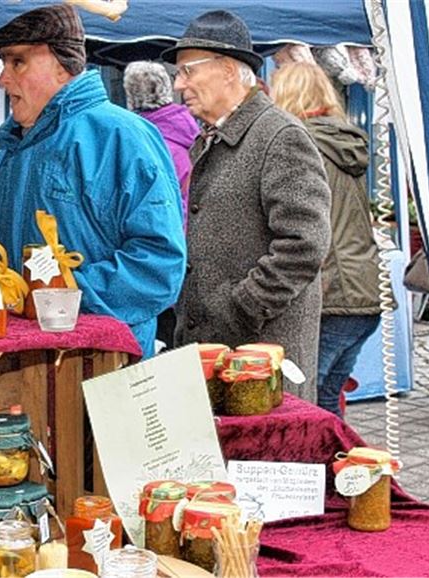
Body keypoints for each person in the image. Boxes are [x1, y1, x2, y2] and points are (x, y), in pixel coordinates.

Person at [0, 5, 186, 358]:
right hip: (20, 361)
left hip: (100, 363)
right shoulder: (15, 145)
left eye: (16, 62)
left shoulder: (123, 137)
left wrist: (55, 293)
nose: (2, 79)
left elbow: (159, 266)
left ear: (62, 67)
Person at [163, 10, 331, 402]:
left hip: (261, 363)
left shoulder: (280, 136)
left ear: (226, 69)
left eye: (188, 71)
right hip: (225, 356)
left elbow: (304, 245)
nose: (178, 84)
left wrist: (238, 308)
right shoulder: (215, 136)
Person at [270, 62, 380, 417]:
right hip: (363, 289)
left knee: (303, 403)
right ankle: (336, 469)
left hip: (332, 293)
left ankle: (321, 470)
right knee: (328, 401)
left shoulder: (302, 145)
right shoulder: (344, 141)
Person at [122, 60, 199, 351]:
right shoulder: (189, 133)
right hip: (186, 259)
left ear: (131, 96)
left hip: (158, 263)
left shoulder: (142, 142)